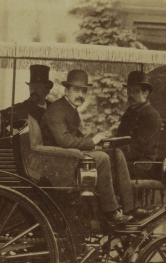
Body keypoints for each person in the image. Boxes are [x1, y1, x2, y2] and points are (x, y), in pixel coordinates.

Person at [41, 69, 133, 225]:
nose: (81, 95)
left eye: (84, 91)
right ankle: (110, 211)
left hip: (69, 156)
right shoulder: (57, 110)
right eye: (76, 90)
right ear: (66, 90)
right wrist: (92, 142)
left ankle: (129, 208)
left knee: (115, 153)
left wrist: (97, 142)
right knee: (103, 158)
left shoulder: (69, 109)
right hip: (59, 161)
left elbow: (75, 136)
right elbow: (64, 140)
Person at [117, 71, 162, 179]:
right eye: (129, 91)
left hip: (143, 165)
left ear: (145, 93)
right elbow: (121, 138)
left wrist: (114, 154)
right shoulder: (131, 111)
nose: (130, 95)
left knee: (108, 169)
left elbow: (139, 148)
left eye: (135, 91)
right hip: (128, 161)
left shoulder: (151, 115)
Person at [1, 64, 53, 133]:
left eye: (38, 87)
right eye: (31, 87)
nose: (34, 90)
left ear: (47, 90)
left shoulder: (53, 108)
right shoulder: (20, 108)